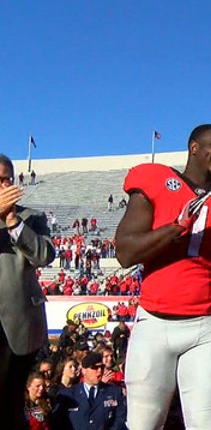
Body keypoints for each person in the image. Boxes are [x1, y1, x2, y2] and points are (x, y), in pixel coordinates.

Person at [114, 124, 211, 429]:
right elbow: (125, 252)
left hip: (204, 326)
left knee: (206, 424)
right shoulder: (155, 179)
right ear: (194, 147)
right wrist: (175, 228)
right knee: (142, 424)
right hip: (153, 323)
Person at [0, 153, 55, 429]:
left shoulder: (31, 218)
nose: (4, 187)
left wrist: (13, 222)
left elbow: (44, 255)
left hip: (18, 323)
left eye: (7, 180)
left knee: (10, 401)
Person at [55, 352, 127, 430]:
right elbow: (58, 423)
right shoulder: (68, 395)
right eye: (95, 368)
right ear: (84, 370)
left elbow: (120, 419)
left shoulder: (114, 392)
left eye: (101, 367)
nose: (99, 371)